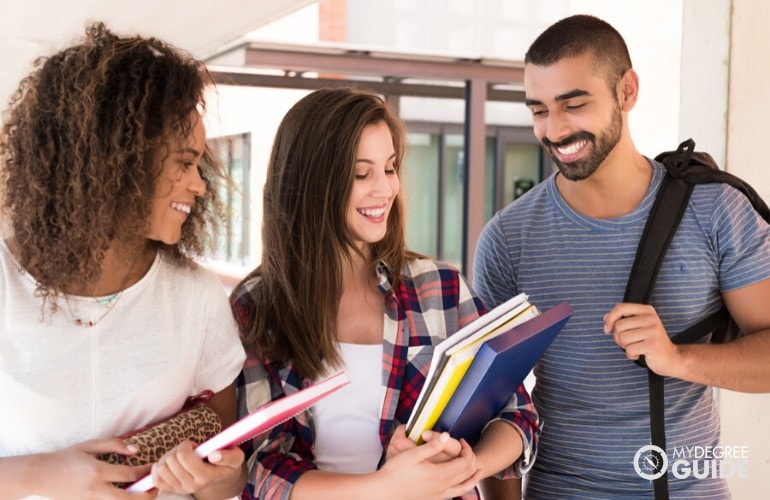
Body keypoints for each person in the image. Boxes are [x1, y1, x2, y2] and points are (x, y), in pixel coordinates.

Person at [472, 14, 770, 499]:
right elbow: (488, 400)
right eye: (539, 110)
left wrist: (678, 359)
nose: (555, 129)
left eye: (574, 104)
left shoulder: (716, 211)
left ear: (626, 91)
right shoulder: (508, 239)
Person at [229, 87, 540, 500]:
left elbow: (516, 412)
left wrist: (467, 466)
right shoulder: (258, 306)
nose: (385, 189)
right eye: (362, 174)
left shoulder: (441, 288)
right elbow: (263, 464)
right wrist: (387, 488)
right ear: (311, 181)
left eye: (390, 168)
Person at [0, 22, 247, 498]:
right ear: (117, 158)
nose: (198, 184)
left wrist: (218, 478)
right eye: (182, 161)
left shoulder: (194, 296)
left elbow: (228, 472)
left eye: (199, 163)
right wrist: (42, 474)